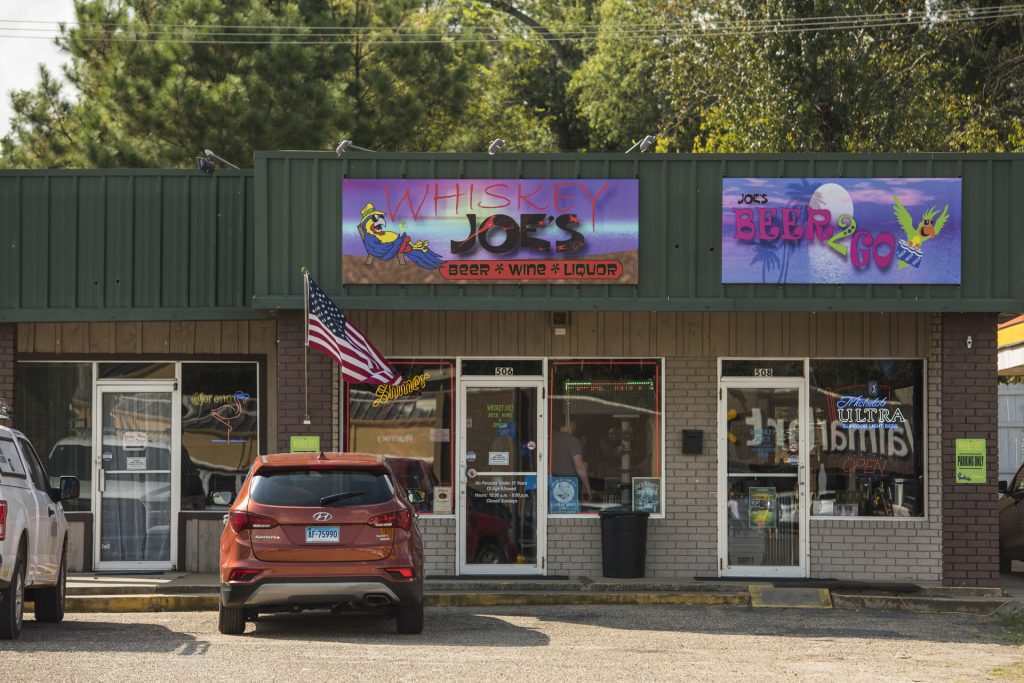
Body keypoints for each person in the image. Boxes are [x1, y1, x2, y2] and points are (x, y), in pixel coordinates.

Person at [551, 412, 592, 501]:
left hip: (554, 483)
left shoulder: (551, 440)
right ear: (572, 423)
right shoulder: (572, 441)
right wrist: (587, 487)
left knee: (557, 513)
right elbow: (579, 466)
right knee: (570, 512)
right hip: (570, 484)